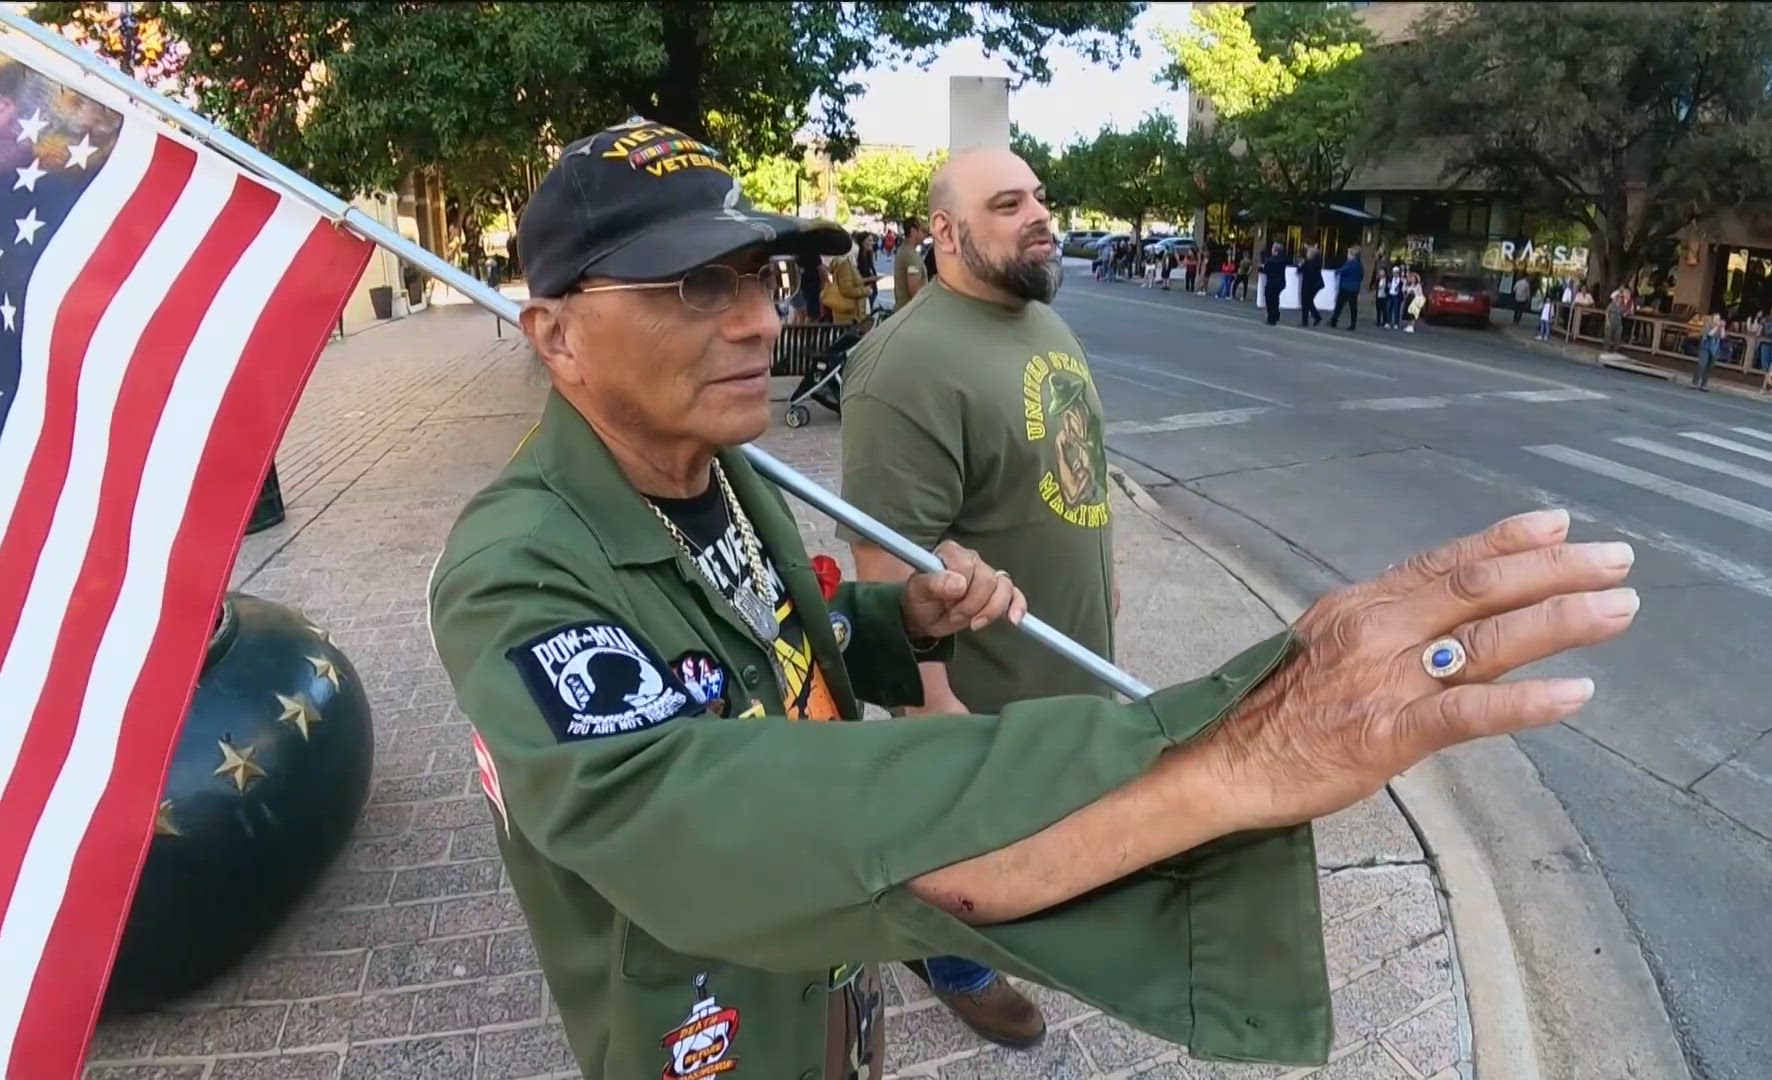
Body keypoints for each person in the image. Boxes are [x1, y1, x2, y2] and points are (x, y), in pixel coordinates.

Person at [430, 119, 1639, 1080]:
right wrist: (1216, 758)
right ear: (557, 336)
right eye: (695, 287)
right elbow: (687, 810)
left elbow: (766, 660)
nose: (758, 319)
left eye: (757, 275)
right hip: (707, 1024)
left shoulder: (723, 471)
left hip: (834, 991)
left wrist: (896, 628)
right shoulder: (514, 571)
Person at [839, 148, 1121, 1047]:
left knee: (1039, 847)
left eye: (1039, 195)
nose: (1041, 213)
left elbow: (1077, 477)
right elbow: (885, 562)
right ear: (948, 234)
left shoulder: (1041, 321)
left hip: (1066, 673)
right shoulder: (907, 364)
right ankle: (946, 956)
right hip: (981, 705)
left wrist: (1105, 593)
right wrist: (935, 710)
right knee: (959, 851)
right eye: (1009, 203)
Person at [823, 234, 875, 322]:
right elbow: (847, 290)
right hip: (849, 311)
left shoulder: (844, 262)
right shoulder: (844, 264)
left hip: (847, 310)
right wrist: (866, 291)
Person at [893, 217, 928, 309]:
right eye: (923, 231)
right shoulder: (911, 257)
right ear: (913, 231)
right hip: (910, 311)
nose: (926, 234)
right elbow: (914, 290)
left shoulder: (904, 250)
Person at [1331, 245, 1364, 330]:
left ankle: (1334, 320)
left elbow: (1343, 271)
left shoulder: (1349, 264)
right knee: (1353, 307)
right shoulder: (1359, 265)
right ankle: (1353, 324)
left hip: (1345, 287)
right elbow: (1361, 276)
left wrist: (1337, 271)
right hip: (1355, 288)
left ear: (1351, 255)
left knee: (1339, 305)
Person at [1692, 312, 1725, 390]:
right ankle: (1695, 383)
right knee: (1702, 364)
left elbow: (1722, 336)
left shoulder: (1720, 328)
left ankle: (1704, 384)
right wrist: (1716, 327)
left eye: (1719, 319)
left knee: (1709, 366)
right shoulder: (1708, 325)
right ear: (1712, 319)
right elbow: (1709, 334)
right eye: (1716, 319)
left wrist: (1722, 327)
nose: (1718, 320)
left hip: (1715, 349)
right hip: (1706, 347)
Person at [1298, 245, 1324, 327]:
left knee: (1305, 302)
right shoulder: (1317, 263)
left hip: (1308, 285)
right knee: (1309, 302)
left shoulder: (1308, 263)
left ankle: (1305, 321)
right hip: (1315, 285)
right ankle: (1316, 317)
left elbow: (1300, 270)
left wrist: (1300, 264)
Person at [1262, 241, 1287, 325]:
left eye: (1273, 248)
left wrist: (1260, 269)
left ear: (1275, 251)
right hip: (1280, 282)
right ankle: (1276, 315)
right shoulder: (1283, 260)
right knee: (1276, 299)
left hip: (1271, 282)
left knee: (1269, 300)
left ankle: (1271, 318)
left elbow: (1266, 271)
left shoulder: (1270, 260)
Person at [1755, 305, 1772, 376]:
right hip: (1765, 341)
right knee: (1764, 360)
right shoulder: (1765, 319)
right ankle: (1763, 373)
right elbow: (1760, 330)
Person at [1386, 264, 1405, 329]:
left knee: (1396, 310)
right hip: (1391, 295)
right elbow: (1388, 286)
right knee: (1389, 309)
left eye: (1397, 273)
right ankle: (1388, 322)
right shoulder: (1390, 279)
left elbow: (1402, 288)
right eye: (1394, 273)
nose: (1395, 274)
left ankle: (1396, 323)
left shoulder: (1401, 280)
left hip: (1397, 296)